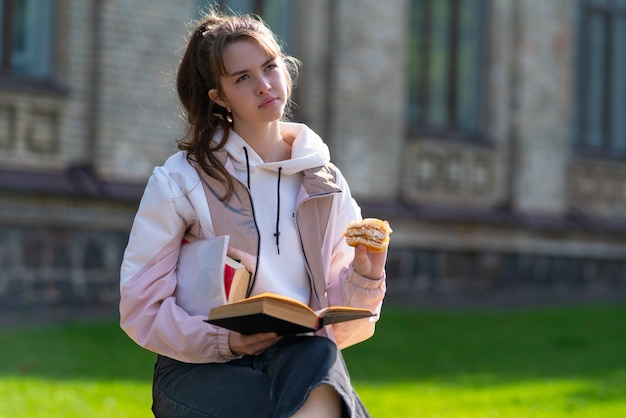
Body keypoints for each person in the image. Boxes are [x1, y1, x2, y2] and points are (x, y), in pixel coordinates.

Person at [119, 7, 388, 418]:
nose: (264, 85)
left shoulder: (326, 184)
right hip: (199, 369)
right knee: (323, 399)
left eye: (269, 67)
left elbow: (344, 327)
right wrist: (226, 342)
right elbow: (141, 308)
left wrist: (367, 274)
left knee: (318, 354)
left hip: (295, 361)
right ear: (219, 97)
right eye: (243, 78)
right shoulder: (180, 181)